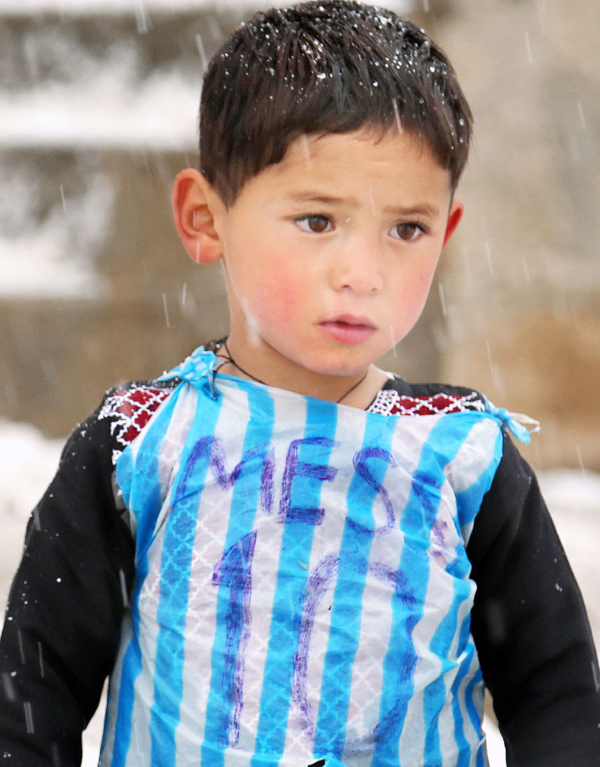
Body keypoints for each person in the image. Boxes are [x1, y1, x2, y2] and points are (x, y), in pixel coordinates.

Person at [1, 2, 599, 766]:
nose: (363, 273)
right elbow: (32, 693)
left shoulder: (463, 461)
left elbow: (559, 700)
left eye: (406, 229)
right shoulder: (141, 444)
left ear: (447, 233)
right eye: (318, 220)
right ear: (204, 218)